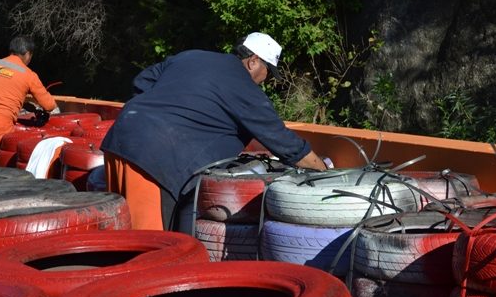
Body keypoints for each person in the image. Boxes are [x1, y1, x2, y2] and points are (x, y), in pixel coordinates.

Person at [101, 32, 330, 231]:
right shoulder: (244, 88)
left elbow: (141, 82)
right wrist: (324, 171)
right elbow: (284, 142)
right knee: (151, 249)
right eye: (268, 71)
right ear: (253, 61)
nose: (266, 79)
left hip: (120, 140)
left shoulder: (191, 57)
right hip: (154, 161)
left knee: (123, 235)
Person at [0, 36, 59, 162]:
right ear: (27, 54)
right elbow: (49, 105)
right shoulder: (29, 75)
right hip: (0, 124)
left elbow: (0, 90)